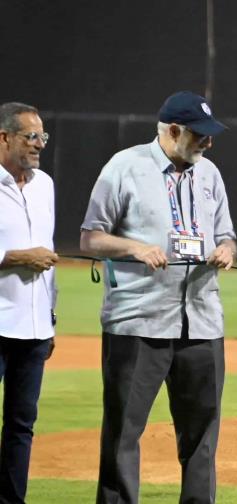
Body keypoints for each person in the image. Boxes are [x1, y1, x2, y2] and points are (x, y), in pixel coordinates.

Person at [80, 91, 237, 504]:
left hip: (202, 320)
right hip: (139, 320)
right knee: (124, 433)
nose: (208, 142)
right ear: (173, 130)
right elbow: (90, 236)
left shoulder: (210, 174)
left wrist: (226, 249)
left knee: (202, 436)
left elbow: (227, 235)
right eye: (200, 135)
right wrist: (134, 249)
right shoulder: (124, 167)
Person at [0, 102, 57, 503]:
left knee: (22, 424)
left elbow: (49, 254)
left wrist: (51, 317)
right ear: (4, 138)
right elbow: (33, 254)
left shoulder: (45, 185)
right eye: (30, 136)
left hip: (34, 326)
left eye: (42, 136)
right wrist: (17, 257)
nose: (39, 144)